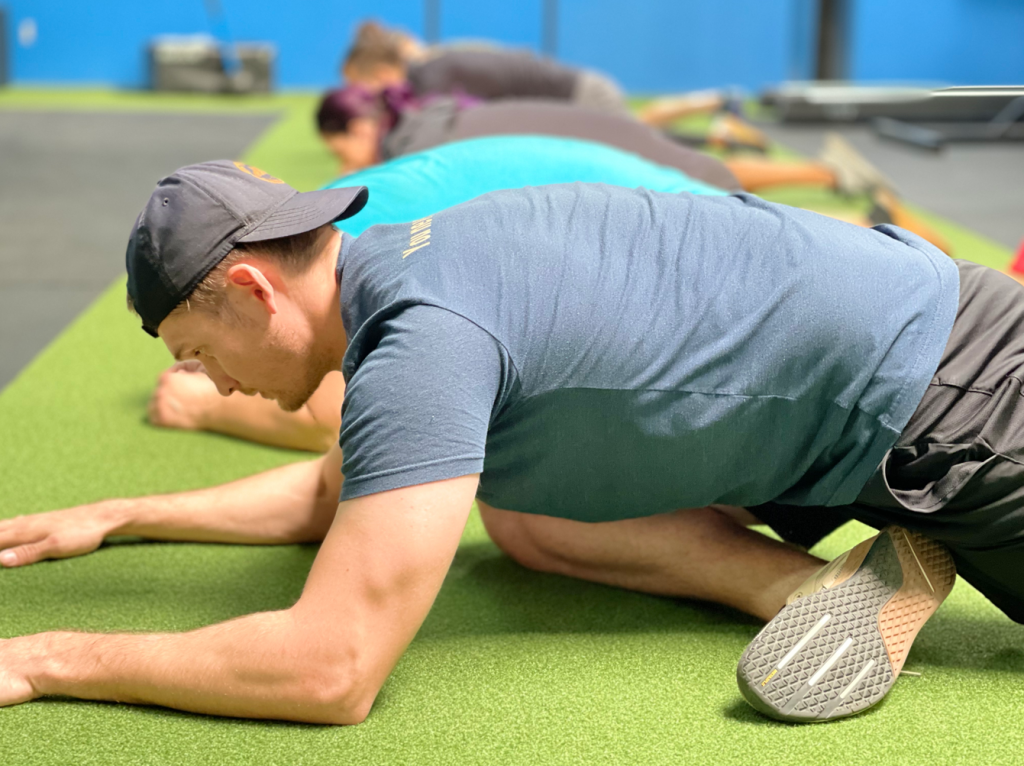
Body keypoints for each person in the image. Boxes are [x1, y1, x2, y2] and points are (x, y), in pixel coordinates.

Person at [4, 161, 1023, 726]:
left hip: (967, 411)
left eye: (198, 349)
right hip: (900, 361)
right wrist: (118, 514)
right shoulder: (422, 257)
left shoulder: (421, 344)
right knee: (521, 502)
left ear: (250, 289)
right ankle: (807, 592)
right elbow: (344, 493)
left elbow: (330, 667)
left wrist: (49, 658)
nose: (209, 381)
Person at [149, 135, 728, 450]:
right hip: (703, 219)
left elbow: (342, 421)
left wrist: (207, 410)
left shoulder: (361, 256)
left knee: (520, 493)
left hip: (700, 259)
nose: (222, 381)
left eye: (206, 352)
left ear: (257, 288)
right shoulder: (315, 225)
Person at [315, 87, 953, 254]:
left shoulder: (408, 147)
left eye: (335, 144)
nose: (339, 159)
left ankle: (859, 215)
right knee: (716, 187)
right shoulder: (420, 124)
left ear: (359, 124)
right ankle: (858, 220)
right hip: (584, 138)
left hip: (592, 136)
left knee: (723, 197)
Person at [342, 20, 627, 115]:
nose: (360, 96)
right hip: (575, 95)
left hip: (584, 97)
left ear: (381, 74)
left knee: (648, 153)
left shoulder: (431, 81)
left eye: (359, 85)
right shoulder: (432, 70)